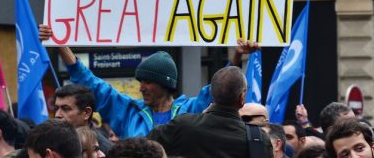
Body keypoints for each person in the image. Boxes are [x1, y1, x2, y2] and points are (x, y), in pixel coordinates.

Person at [39, 24, 257, 138]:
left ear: (166, 83)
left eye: (147, 82)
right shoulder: (128, 111)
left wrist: (237, 55)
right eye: (140, 81)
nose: (141, 87)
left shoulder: (192, 109)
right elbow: (92, 83)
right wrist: (60, 43)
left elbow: (221, 89)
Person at [148, 66, 273, 157]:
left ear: (212, 93)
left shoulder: (183, 126)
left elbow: (142, 147)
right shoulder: (259, 139)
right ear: (242, 98)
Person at [54, 85, 112, 153]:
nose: (57, 115)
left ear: (87, 113)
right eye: (56, 108)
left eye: (66, 109)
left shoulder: (107, 151)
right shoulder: (49, 141)